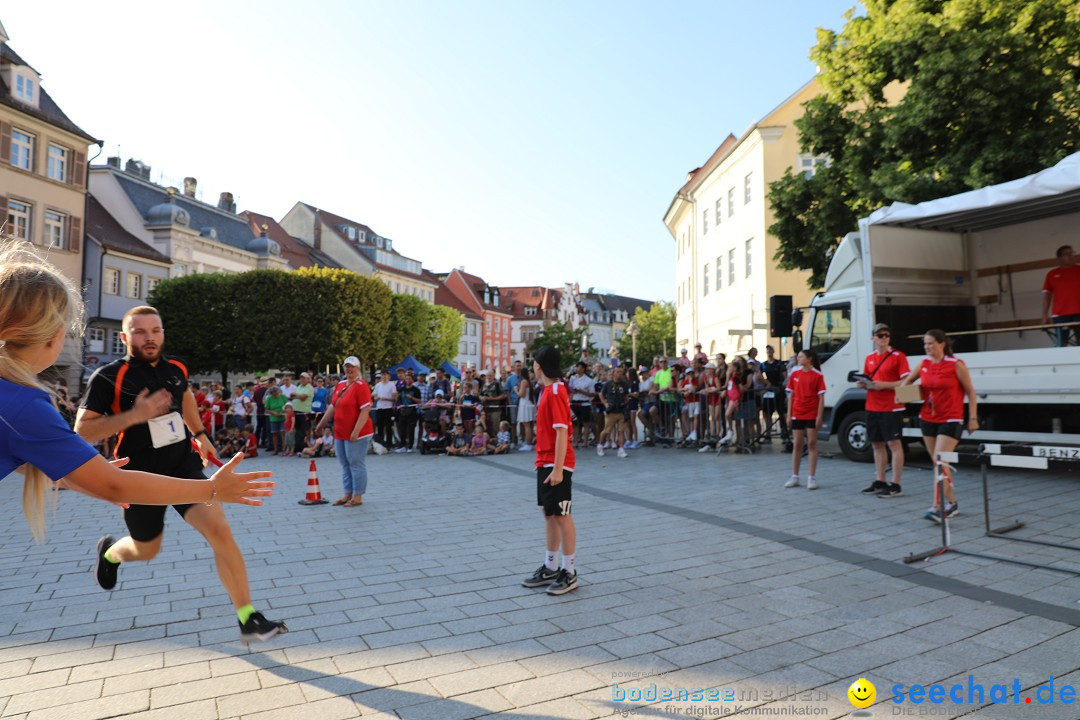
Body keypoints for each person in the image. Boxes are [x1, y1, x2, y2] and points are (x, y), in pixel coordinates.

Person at [0, 242, 273, 548]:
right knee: (146, 545)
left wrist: (71, 473)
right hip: (147, 472)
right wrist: (213, 489)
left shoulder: (14, 397)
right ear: (53, 335)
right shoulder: (23, 403)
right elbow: (116, 485)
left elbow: (184, 401)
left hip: (174, 461)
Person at [76, 305, 286, 642]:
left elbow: (185, 397)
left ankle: (248, 616)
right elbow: (83, 431)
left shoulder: (175, 368)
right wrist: (134, 416)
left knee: (220, 530)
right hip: (139, 475)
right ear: (124, 337)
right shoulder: (108, 377)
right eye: (140, 332)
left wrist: (201, 436)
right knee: (147, 549)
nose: (149, 338)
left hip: (183, 465)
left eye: (155, 331)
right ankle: (111, 552)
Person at [896, 329, 979, 522]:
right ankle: (952, 503)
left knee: (940, 461)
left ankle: (937, 506)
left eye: (931, 343)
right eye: (925, 344)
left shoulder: (955, 364)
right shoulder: (923, 364)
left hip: (951, 418)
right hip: (928, 418)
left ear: (942, 344)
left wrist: (973, 418)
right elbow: (907, 382)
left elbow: (971, 392)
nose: (927, 347)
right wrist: (904, 396)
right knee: (938, 464)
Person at [521, 345, 578, 595]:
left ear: (538, 366)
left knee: (562, 515)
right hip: (545, 461)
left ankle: (569, 570)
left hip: (557, 463)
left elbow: (562, 431)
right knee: (549, 514)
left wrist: (557, 469)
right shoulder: (546, 390)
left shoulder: (555, 391)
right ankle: (551, 565)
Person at [857, 324, 911, 498]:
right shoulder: (869, 358)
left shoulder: (898, 356)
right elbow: (867, 379)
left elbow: (906, 381)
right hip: (872, 405)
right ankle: (880, 481)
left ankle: (896, 484)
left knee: (894, 444)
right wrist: (862, 384)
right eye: (880, 335)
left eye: (887, 335)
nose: (883, 338)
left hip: (891, 406)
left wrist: (885, 385)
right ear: (873, 338)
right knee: (876, 444)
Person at [315, 356, 373, 507]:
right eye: (347, 366)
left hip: (357, 432)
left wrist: (356, 431)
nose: (349, 369)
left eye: (352, 366)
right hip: (340, 431)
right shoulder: (340, 385)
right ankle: (347, 493)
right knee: (344, 464)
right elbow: (333, 407)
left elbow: (365, 409)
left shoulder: (361, 386)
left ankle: (358, 495)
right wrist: (320, 425)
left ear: (358, 368)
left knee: (356, 463)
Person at [784, 350, 825, 489]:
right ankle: (795, 476)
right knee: (797, 444)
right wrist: (789, 414)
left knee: (812, 444)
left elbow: (821, 398)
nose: (798, 358)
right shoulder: (795, 374)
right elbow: (791, 396)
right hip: (797, 412)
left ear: (809, 359)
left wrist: (819, 416)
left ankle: (811, 478)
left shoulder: (817, 375)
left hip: (812, 413)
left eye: (801, 356)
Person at [1041, 245, 1080, 347]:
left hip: (1079, 312)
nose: (1071, 256)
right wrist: (1044, 315)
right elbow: (1047, 296)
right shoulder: (1052, 274)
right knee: (1061, 343)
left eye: (1072, 253)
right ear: (1059, 258)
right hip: (1060, 314)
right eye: (1067, 254)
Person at [597, 365, 630, 458]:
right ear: (614, 373)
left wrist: (625, 402)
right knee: (606, 431)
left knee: (621, 431)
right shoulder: (608, 384)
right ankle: (600, 445)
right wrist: (605, 403)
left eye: (621, 372)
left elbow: (626, 395)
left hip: (621, 410)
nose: (620, 374)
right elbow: (601, 394)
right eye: (618, 372)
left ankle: (621, 449)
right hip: (611, 411)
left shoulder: (624, 384)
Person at [759, 345, 789, 442]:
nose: (769, 352)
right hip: (769, 391)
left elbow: (785, 376)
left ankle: (784, 433)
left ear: (773, 351)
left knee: (781, 413)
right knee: (767, 413)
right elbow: (759, 376)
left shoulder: (779, 363)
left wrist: (782, 386)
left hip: (779, 391)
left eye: (770, 350)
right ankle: (768, 434)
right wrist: (765, 383)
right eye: (767, 351)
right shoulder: (763, 365)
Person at [568, 362, 594, 448]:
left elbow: (592, 394)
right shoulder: (572, 378)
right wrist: (573, 391)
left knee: (586, 423)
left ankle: (585, 441)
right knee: (575, 423)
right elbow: (569, 389)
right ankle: (575, 441)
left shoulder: (589, 380)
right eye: (576, 367)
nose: (576, 369)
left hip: (584, 403)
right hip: (574, 402)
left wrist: (582, 391)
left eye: (578, 367)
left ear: (583, 369)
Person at [394, 373, 421, 453]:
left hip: (412, 411)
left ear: (412, 380)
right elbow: (396, 399)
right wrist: (396, 397)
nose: (407, 380)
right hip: (402, 411)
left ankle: (410, 446)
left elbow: (419, 401)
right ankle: (402, 445)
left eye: (409, 379)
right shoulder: (401, 389)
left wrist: (411, 397)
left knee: (411, 429)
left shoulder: (415, 390)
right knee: (401, 428)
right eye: (406, 379)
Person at [371, 369, 397, 450]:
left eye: (385, 375)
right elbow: (372, 395)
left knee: (388, 427)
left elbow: (394, 398)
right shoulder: (378, 385)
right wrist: (376, 398)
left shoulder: (391, 385)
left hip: (388, 408)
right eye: (382, 375)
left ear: (389, 376)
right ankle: (381, 443)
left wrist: (384, 398)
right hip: (379, 408)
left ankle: (389, 444)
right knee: (380, 427)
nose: (384, 377)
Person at [290, 372, 314, 452]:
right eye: (301, 378)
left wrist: (295, 395)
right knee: (298, 429)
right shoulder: (298, 387)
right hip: (296, 410)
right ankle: (299, 446)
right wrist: (297, 396)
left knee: (306, 429)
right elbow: (292, 396)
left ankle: (307, 444)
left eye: (304, 378)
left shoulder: (309, 387)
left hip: (304, 411)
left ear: (308, 379)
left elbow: (303, 397)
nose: (302, 379)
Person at [516, 369, 536, 451]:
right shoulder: (529, 381)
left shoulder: (524, 381)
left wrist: (516, 390)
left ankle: (528, 444)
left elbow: (521, 394)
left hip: (525, 404)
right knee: (529, 425)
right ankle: (529, 442)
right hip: (529, 403)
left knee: (527, 425)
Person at [264, 385, 286, 454]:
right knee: (274, 433)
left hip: (282, 416)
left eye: (276, 393)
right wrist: (273, 412)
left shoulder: (283, 397)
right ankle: (275, 449)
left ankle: (284, 448)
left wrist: (283, 412)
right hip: (273, 418)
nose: (275, 395)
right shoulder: (269, 398)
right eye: (273, 393)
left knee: (283, 432)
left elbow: (287, 405)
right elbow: (266, 409)